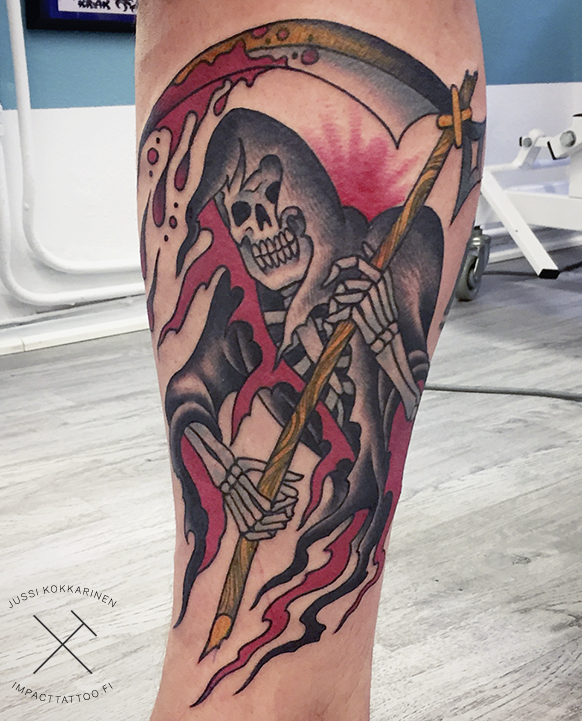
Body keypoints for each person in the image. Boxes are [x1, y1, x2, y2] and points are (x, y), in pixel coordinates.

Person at [135, 2, 486, 719]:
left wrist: (382, 338)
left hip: (335, 541)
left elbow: (395, 388)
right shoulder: (247, 307)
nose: (259, 228)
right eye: (240, 215)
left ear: (311, 194)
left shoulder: (386, 251)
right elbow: (192, 395)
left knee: (275, 688)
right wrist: (228, 472)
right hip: (298, 543)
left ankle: (282, 696)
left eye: (271, 198)